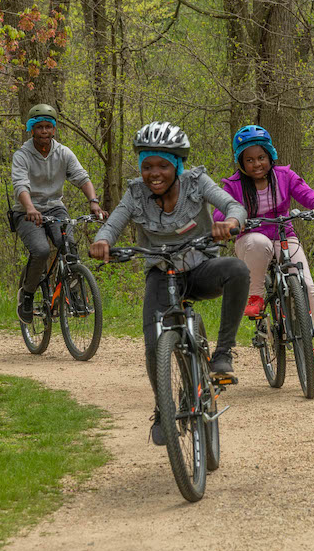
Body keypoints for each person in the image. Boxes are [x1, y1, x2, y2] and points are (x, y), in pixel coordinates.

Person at [89, 121, 249, 445]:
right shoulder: (135, 193)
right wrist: (102, 241)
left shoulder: (195, 182)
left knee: (237, 270)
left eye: (163, 165)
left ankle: (222, 354)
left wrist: (230, 221)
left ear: (177, 164)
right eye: (147, 166)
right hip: (161, 274)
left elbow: (233, 206)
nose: (154, 173)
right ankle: (164, 408)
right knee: (153, 344)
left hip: (200, 268)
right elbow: (114, 223)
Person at [213, 125, 314, 319]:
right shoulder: (233, 185)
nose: (257, 164)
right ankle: (255, 297)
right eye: (249, 160)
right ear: (241, 162)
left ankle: (306, 341)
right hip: (251, 241)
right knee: (260, 243)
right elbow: (220, 211)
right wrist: (230, 222)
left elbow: (306, 193)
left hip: (284, 235)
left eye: (261, 157)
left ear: (270, 156)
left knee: (307, 286)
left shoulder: (285, 176)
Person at [11, 103, 107, 324]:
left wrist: (93, 202)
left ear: (54, 129)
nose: (44, 131)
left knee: (69, 248)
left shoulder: (63, 153)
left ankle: (74, 295)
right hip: (27, 211)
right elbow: (20, 186)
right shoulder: (22, 155)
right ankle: (27, 294)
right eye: (39, 127)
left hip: (54, 207)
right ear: (31, 130)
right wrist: (30, 208)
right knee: (42, 251)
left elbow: (82, 177)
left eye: (48, 127)